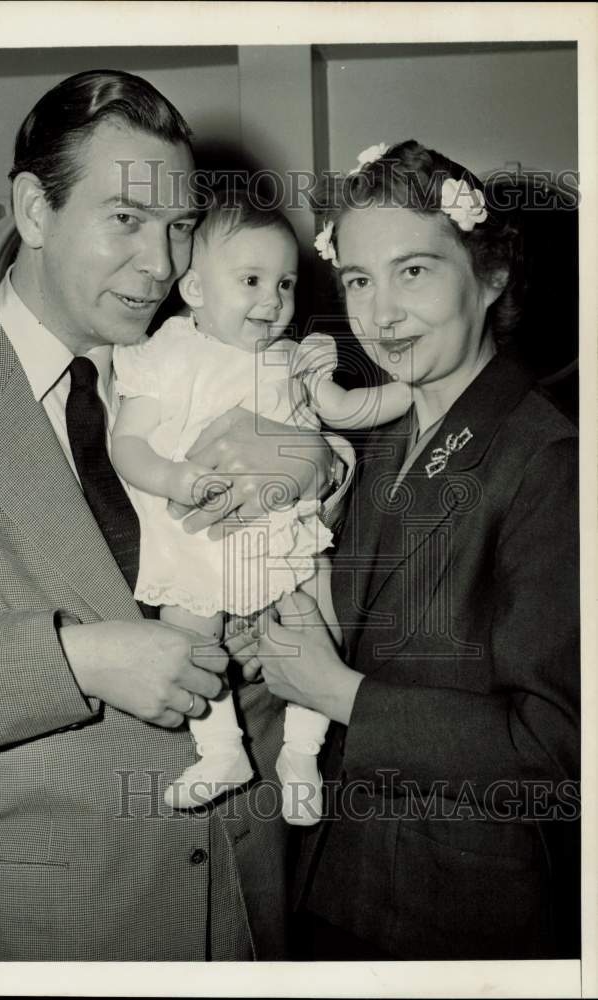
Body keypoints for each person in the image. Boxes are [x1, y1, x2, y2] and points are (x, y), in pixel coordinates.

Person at [0, 70, 344, 961]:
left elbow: (319, 451)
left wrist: (320, 463)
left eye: (177, 227)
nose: (161, 264)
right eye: (126, 218)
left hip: (262, 882)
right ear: (35, 212)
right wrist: (75, 658)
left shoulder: (203, 345)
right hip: (77, 916)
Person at [231, 140, 580, 960]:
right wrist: (285, 643)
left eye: (414, 272)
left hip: (457, 911)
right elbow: (365, 619)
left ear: (490, 277)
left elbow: (559, 747)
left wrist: (340, 691)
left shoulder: (550, 462)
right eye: (358, 280)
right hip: (333, 874)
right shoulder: (379, 434)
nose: (380, 314)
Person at [110, 193, 411, 821]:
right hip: (202, 534)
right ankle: (221, 749)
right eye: (250, 281)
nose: (272, 301)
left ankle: (302, 753)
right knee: (187, 633)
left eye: (285, 283)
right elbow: (127, 444)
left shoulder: (293, 357)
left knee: (313, 628)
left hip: (287, 534)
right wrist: (175, 477)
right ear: (193, 287)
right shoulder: (167, 352)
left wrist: (412, 385)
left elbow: (347, 415)